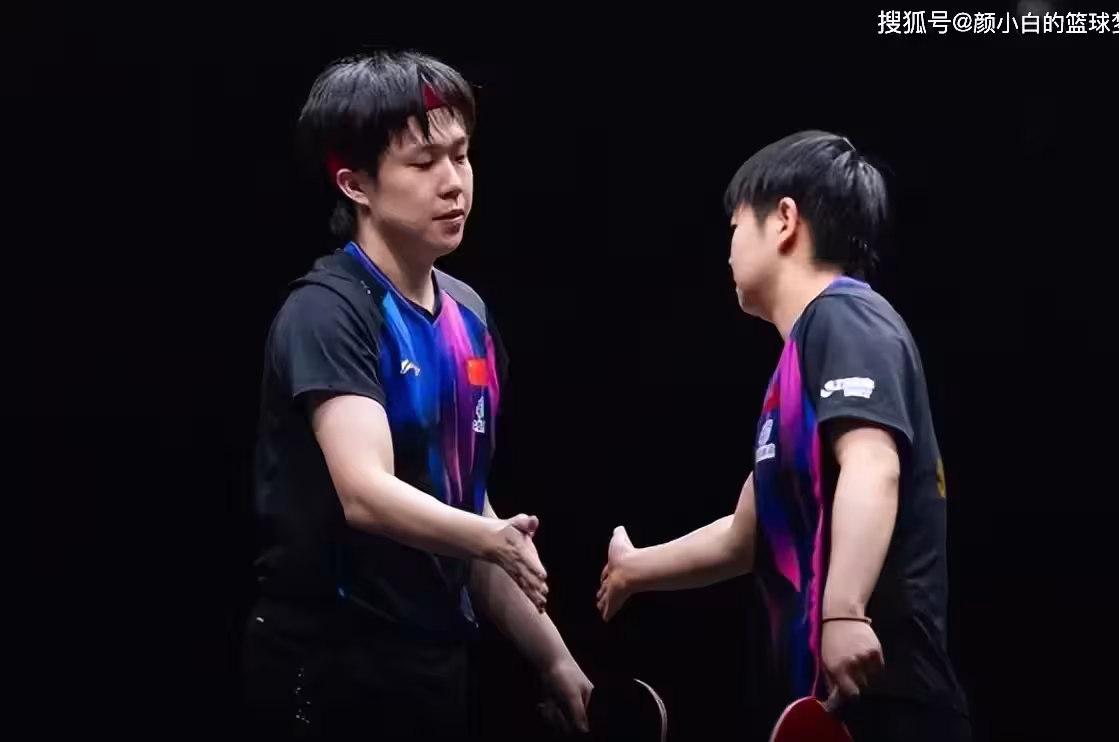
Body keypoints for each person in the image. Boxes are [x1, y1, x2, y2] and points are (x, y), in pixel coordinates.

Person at [243, 50, 591, 740]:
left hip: (434, 670)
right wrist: (492, 540)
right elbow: (366, 493)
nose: (453, 182)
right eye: (423, 162)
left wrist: (555, 659)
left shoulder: (470, 318)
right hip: (326, 671)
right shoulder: (328, 312)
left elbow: (463, 506)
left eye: (460, 156)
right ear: (355, 184)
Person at [596, 130, 971, 741]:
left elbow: (873, 464)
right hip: (816, 702)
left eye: (736, 226)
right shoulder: (796, 365)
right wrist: (635, 569)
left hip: (881, 699)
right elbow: (746, 535)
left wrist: (844, 611)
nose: (727, 250)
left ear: (784, 221)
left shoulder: (845, 316)